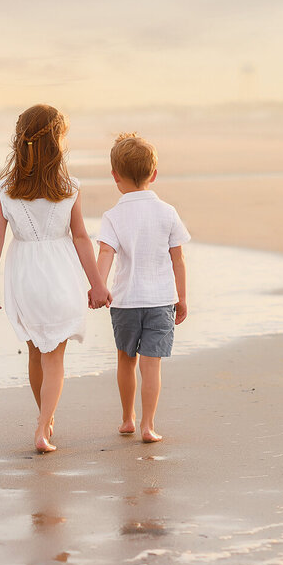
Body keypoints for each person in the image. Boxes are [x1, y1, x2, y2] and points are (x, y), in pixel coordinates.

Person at [0, 104, 111, 453]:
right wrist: (96, 283)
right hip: (60, 273)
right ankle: (43, 428)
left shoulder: (5, 189)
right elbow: (82, 238)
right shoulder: (69, 187)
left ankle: (45, 418)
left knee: (35, 353)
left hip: (23, 276)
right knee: (55, 357)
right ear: (57, 143)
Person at [94, 133, 189, 443]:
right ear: (154, 174)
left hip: (124, 301)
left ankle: (127, 419)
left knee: (126, 359)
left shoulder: (113, 216)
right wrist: (182, 298)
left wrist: (99, 286)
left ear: (115, 177)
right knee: (151, 365)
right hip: (161, 300)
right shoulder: (168, 212)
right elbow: (178, 259)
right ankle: (148, 425)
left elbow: (106, 253)